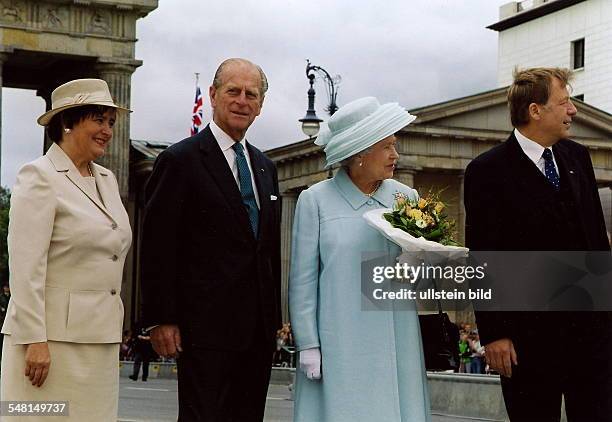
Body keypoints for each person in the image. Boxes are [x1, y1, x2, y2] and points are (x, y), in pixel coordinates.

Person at [464, 67, 612, 421]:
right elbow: (483, 256)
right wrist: (495, 333)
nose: (572, 110)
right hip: (526, 341)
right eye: (564, 102)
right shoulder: (487, 171)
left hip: (590, 335)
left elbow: (595, 241)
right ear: (535, 110)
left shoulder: (578, 157)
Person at [140, 58, 281, 421]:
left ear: (261, 106)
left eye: (252, 94)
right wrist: (160, 318)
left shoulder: (266, 168)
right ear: (214, 95)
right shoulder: (180, 160)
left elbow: (267, 251)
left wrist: (274, 319)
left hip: (257, 333)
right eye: (233, 91)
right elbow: (158, 246)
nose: (242, 101)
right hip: (204, 330)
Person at [289, 96, 431, 422]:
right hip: (340, 340)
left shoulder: (405, 197)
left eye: (395, 145)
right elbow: (303, 282)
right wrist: (308, 343)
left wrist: (418, 261)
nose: (396, 154)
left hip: (397, 336)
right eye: (387, 146)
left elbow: (430, 269)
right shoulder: (316, 201)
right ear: (361, 154)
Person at [0, 78, 132, 420]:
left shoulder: (108, 179)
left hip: (99, 341)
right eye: (98, 120)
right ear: (69, 121)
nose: (107, 130)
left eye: (110, 123)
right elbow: (26, 266)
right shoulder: (39, 176)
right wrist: (34, 339)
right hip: (49, 347)